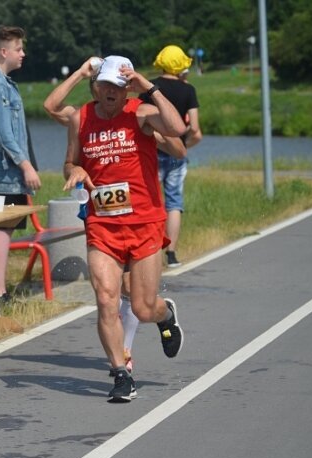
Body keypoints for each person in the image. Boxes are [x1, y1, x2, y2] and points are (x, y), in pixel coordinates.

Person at [44, 57, 186, 375]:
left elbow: (179, 132)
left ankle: (163, 315)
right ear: (95, 86)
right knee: (107, 298)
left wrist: (149, 88)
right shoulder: (81, 118)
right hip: (102, 223)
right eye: (104, 84)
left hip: (143, 221)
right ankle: (121, 371)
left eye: (117, 86)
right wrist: (76, 168)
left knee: (141, 305)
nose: (109, 91)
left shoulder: (141, 112)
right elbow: (56, 123)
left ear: (127, 90)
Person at [0, 26, 41, 303]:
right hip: (3, 171)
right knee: (4, 226)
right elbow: (2, 132)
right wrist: (25, 165)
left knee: (7, 225)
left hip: (1, 170)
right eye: (18, 49)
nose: (22, 54)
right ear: (4, 52)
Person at [141, 45, 203, 268]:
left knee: (150, 201)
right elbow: (195, 129)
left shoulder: (149, 89)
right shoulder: (189, 90)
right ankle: (172, 254)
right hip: (177, 156)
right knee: (174, 202)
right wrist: (183, 146)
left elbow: (139, 121)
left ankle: (150, 249)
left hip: (151, 155)